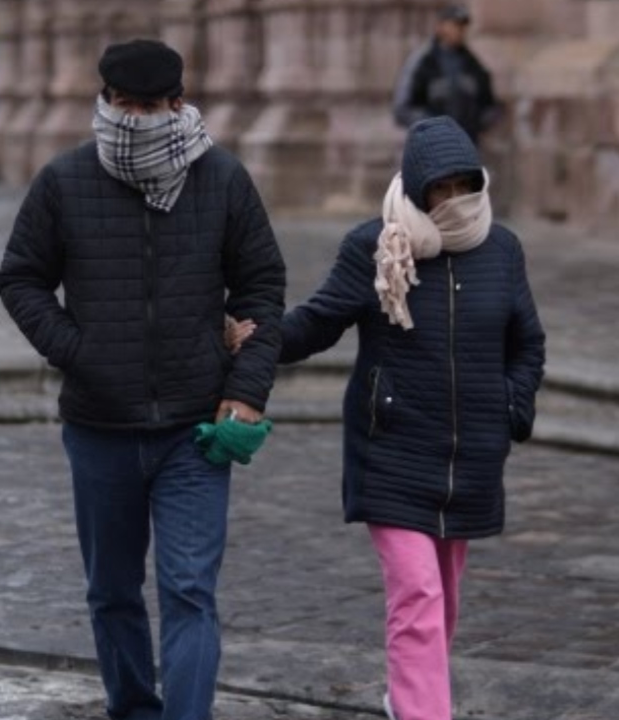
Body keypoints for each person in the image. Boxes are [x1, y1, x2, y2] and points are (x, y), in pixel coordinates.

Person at [0, 39, 287, 720]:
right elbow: (21, 278)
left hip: (195, 428)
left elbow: (262, 288)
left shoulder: (223, 180)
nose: (136, 120)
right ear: (103, 101)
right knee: (112, 590)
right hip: (99, 426)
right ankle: (132, 707)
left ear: (177, 105)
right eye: (122, 104)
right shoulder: (64, 181)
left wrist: (245, 390)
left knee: (190, 589)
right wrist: (77, 349)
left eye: (150, 106)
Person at [230, 116, 545, 720]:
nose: (452, 201)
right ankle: (422, 710)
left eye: (462, 186)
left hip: (470, 457)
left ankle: (408, 692)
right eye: (440, 188)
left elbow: (527, 343)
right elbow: (318, 322)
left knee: (443, 601)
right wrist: (254, 339)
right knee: (418, 594)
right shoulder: (375, 246)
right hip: (393, 451)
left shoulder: (501, 249)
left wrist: (512, 406)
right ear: (419, 185)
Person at [392, 3, 501, 146]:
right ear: (441, 26)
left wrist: (475, 124)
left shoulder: (473, 65)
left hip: (465, 149)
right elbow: (403, 109)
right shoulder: (422, 62)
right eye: (455, 24)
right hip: (431, 149)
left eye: (462, 26)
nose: (460, 30)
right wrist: (434, 127)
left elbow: (489, 105)